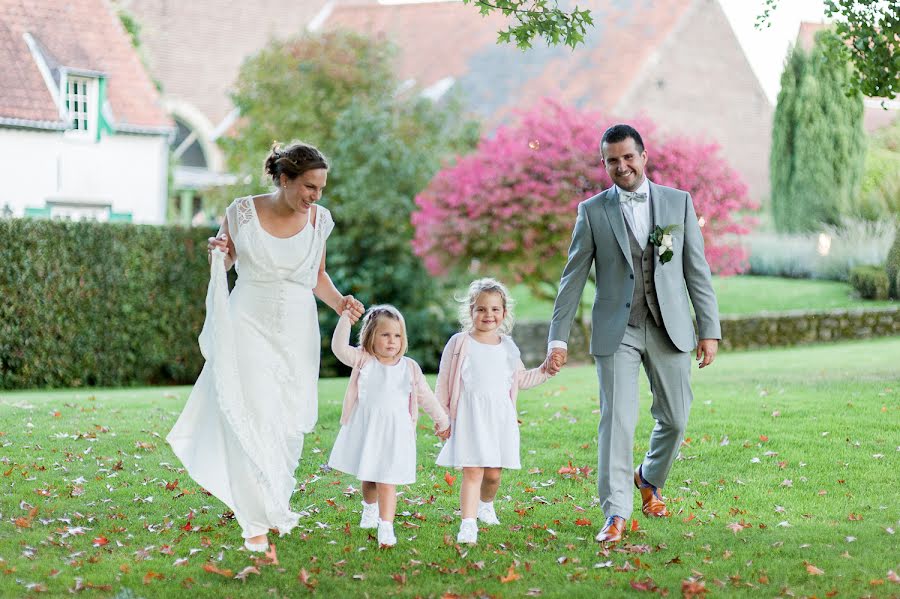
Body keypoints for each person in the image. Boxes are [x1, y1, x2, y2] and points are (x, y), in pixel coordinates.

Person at [167, 141, 364, 555]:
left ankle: (274, 499)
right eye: (309, 186)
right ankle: (253, 522)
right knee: (251, 412)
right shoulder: (241, 211)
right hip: (248, 323)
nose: (315, 196)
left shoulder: (320, 220)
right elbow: (226, 262)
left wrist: (341, 301)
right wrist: (218, 256)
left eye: (321, 189)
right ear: (284, 178)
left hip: (297, 328)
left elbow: (317, 276)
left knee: (286, 417)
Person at [543, 124, 721, 544]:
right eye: (612, 160)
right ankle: (616, 512)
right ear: (603, 164)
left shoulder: (678, 203)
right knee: (618, 420)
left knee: (676, 418)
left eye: (627, 157)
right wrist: (558, 337)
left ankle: (649, 477)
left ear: (644, 156)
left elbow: (696, 269)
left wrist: (708, 328)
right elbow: (572, 279)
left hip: (669, 327)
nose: (621, 166)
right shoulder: (592, 211)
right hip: (616, 330)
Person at [435, 278, 553, 545]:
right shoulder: (459, 343)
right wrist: (442, 418)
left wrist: (545, 370)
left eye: (494, 309)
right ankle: (468, 523)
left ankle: (486, 505)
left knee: (493, 474)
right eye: (481, 309)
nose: (488, 315)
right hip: (469, 417)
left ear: (504, 313)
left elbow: (520, 379)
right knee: (473, 471)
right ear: (471, 311)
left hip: (499, 418)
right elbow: (444, 381)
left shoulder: (507, 346)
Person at [327, 305, 451, 546]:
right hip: (369, 430)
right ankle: (369, 508)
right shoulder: (364, 360)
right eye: (385, 335)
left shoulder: (409, 367)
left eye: (397, 335)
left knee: (386, 479)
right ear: (371, 336)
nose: (392, 341)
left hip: (396, 433)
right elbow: (339, 349)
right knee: (370, 477)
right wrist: (345, 318)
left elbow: (425, 396)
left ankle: (386, 526)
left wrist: (442, 419)